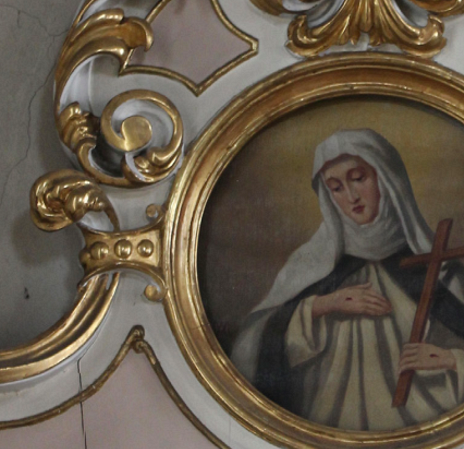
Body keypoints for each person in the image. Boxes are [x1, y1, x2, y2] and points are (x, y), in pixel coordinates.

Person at [230, 129, 464, 431]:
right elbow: (249, 350)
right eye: (336, 187)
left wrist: (449, 359)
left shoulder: (438, 266)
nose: (351, 197)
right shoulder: (311, 264)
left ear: (386, 178)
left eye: (358, 178)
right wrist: (321, 305)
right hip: (324, 428)